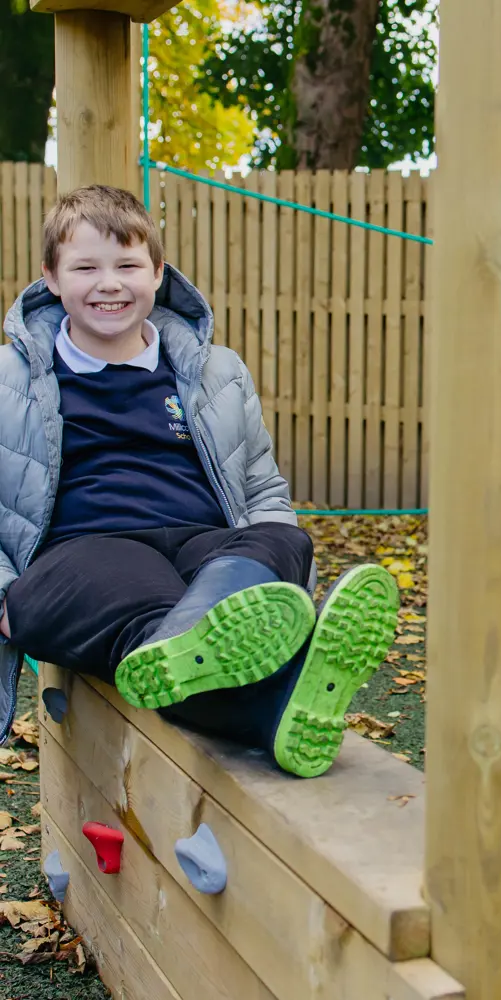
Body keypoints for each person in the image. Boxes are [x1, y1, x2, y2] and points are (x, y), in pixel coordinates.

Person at [0, 184, 398, 779]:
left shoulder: (216, 371)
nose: (109, 283)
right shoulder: (10, 380)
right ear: (51, 278)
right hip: (85, 553)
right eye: (85, 267)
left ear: (158, 273)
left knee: (283, 540)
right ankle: (234, 654)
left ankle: (240, 674)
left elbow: (263, 490)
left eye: (128, 265)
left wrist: (285, 576)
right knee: (136, 609)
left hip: (203, 549)